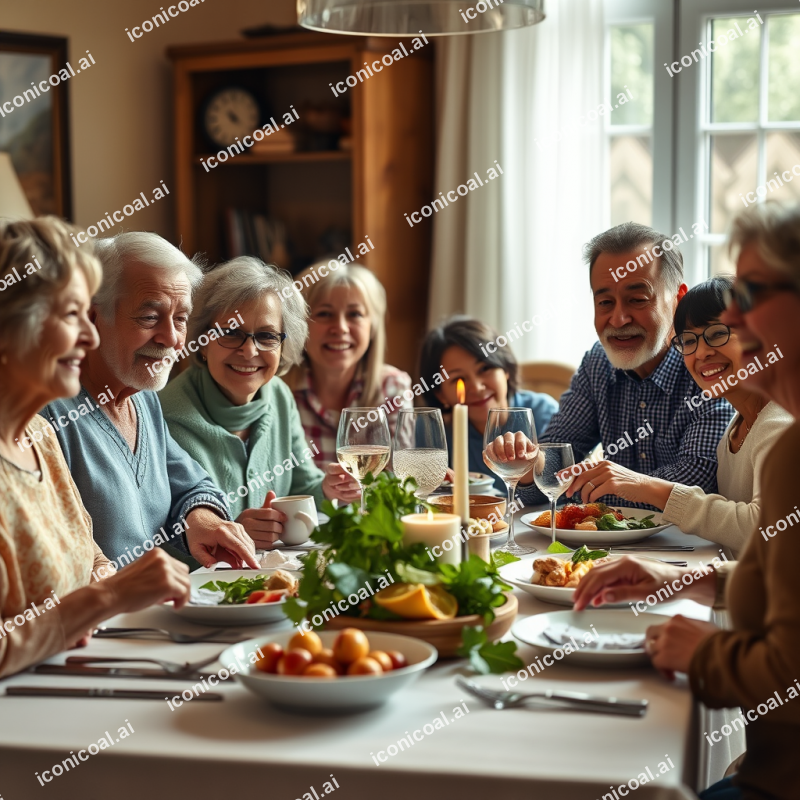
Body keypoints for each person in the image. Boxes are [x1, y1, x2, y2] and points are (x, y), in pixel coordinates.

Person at [574, 202, 800, 800]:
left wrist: (706, 652)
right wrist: (684, 577)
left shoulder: (783, 438)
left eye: (749, 295)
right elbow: (776, 571)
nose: (728, 319)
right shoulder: (757, 427)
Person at [0, 218, 190, 678]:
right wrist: (108, 598)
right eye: (71, 316)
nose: (89, 337)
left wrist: (112, 583)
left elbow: (90, 555)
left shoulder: (38, 438)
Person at [44, 232, 259, 570]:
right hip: (101, 619)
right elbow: (53, 561)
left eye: (181, 318)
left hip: (154, 613)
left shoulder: (143, 397)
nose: (172, 339)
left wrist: (202, 520)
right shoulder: (47, 415)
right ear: (93, 315)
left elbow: (190, 484)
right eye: (149, 317)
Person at [500, 222, 733, 508]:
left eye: (637, 299)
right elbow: (549, 476)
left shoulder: (708, 366)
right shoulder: (598, 363)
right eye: (605, 302)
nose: (619, 319)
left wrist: (582, 486)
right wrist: (527, 467)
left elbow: (697, 481)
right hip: (612, 548)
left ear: (678, 299)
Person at [566, 276, 792, 557]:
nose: (701, 352)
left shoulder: (782, 425)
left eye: (718, 333)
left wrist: (646, 487)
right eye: (688, 340)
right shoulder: (736, 432)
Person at [159, 257, 361, 547]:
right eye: (231, 334)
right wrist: (229, 533)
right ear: (202, 341)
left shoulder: (278, 395)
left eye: (266, 336)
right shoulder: (165, 415)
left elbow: (303, 487)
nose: (249, 351)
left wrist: (328, 489)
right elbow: (157, 534)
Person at [284, 262, 413, 467]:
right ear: (298, 324)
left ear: (373, 327)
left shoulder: (393, 386)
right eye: (325, 314)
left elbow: (402, 477)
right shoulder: (278, 393)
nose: (341, 328)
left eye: (354, 314)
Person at [418, 315, 558, 494]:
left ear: (506, 369)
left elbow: (560, 485)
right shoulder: (432, 431)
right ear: (440, 393)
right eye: (459, 379)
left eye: (485, 369)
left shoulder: (543, 413)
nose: (476, 387)